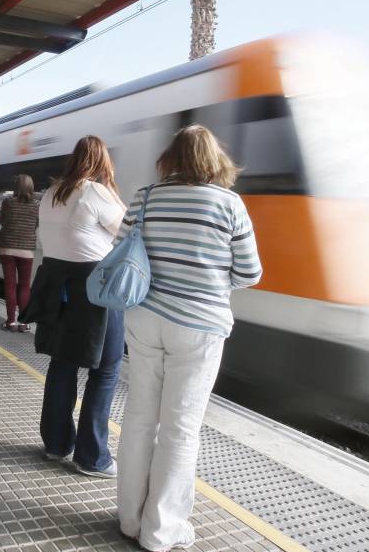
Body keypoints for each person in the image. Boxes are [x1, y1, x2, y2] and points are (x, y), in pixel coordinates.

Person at [116, 125, 262, 552]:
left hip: (145, 318)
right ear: (214, 160)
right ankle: (160, 532)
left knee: (140, 419)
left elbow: (122, 248)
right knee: (180, 429)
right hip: (199, 327)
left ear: (170, 158)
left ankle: (129, 518)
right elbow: (250, 273)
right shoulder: (230, 205)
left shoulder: (145, 197)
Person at [19, 136, 126, 479]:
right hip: (93, 287)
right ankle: (92, 457)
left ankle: (55, 443)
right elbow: (127, 231)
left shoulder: (51, 193)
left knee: (62, 364)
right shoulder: (94, 191)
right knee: (105, 369)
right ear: (102, 162)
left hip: (55, 283)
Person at [0, 174, 39, 332]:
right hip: (26, 250)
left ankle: (10, 322)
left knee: (10, 285)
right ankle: (24, 323)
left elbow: (2, 220)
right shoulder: (37, 205)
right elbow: (36, 224)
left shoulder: (8, 202)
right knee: (24, 286)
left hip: (7, 248)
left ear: (16, 187)